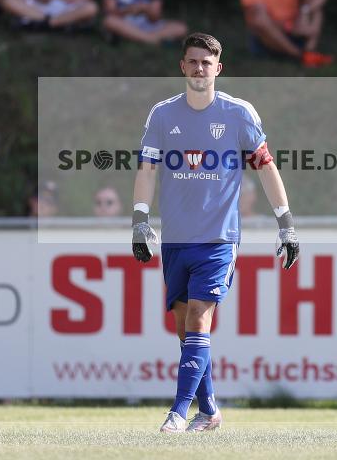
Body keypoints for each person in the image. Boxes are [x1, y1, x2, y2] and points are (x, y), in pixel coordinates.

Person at [131, 32, 300, 433]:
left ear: (218, 69)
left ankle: (177, 411)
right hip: (175, 238)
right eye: (192, 62)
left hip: (219, 238)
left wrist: (286, 224)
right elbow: (147, 169)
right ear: (182, 67)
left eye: (206, 63)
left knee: (198, 318)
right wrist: (139, 220)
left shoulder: (238, 113)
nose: (199, 69)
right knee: (183, 326)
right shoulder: (162, 115)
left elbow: (266, 167)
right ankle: (208, 410)